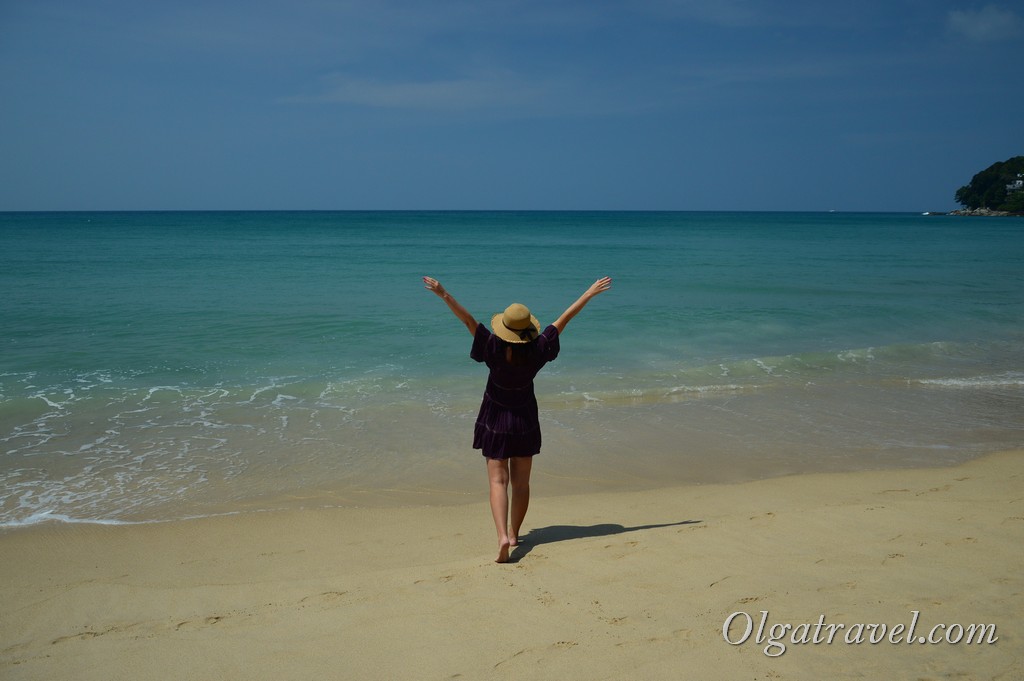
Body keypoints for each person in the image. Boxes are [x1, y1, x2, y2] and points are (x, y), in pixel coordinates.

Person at [423, 275, 613, 563]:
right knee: (521, 483)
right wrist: (589, 293)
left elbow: (468, 321)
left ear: (504, 328)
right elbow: (564, 319)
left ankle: (501, 536)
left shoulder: (493, 347)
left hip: (495, 417)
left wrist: (443, 293)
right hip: (524, 417)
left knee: (498, 482)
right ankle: (514, 533)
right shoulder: (538, 350)